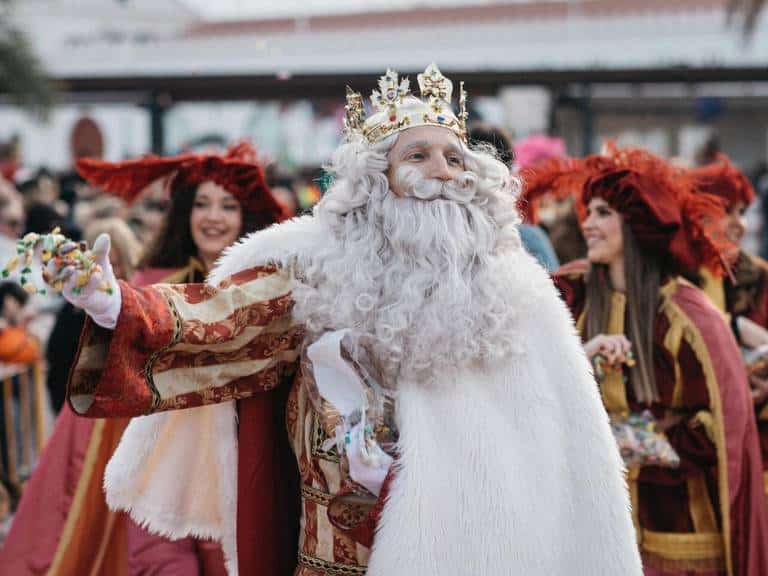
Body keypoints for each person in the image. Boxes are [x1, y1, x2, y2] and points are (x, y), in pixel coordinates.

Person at [57, 65, 639, 575]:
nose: (442, 172)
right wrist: (116, 303)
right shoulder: (319, 262)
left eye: (453, 157)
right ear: (374, 179)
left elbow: (557, 445)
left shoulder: (519, 289)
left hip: (476, 547)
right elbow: (223, 319)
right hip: (334, 551)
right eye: (417, 155)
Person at [0, 142, 285, 576]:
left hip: (249, 466)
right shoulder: (154, 284)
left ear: (247, 216)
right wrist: (109, 304)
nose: (213, 217)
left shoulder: (272, 289)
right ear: (185, 212)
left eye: (228, 205)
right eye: (202, 204)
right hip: (164, 470)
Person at [552, 144, 768, 575]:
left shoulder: (688, 317)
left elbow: (723, 426)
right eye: (588, 212)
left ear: (636, 223)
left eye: (602, 213)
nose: (587, 224)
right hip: (587, 518)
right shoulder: (567, 295)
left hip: (674, 527)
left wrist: (636, 441)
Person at [688, 155, 768, 497]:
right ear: (699, 214)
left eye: (742, 213)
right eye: (728, 211)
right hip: (696, 456)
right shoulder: (677, 280)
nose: (741, 225)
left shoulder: (760, 279)